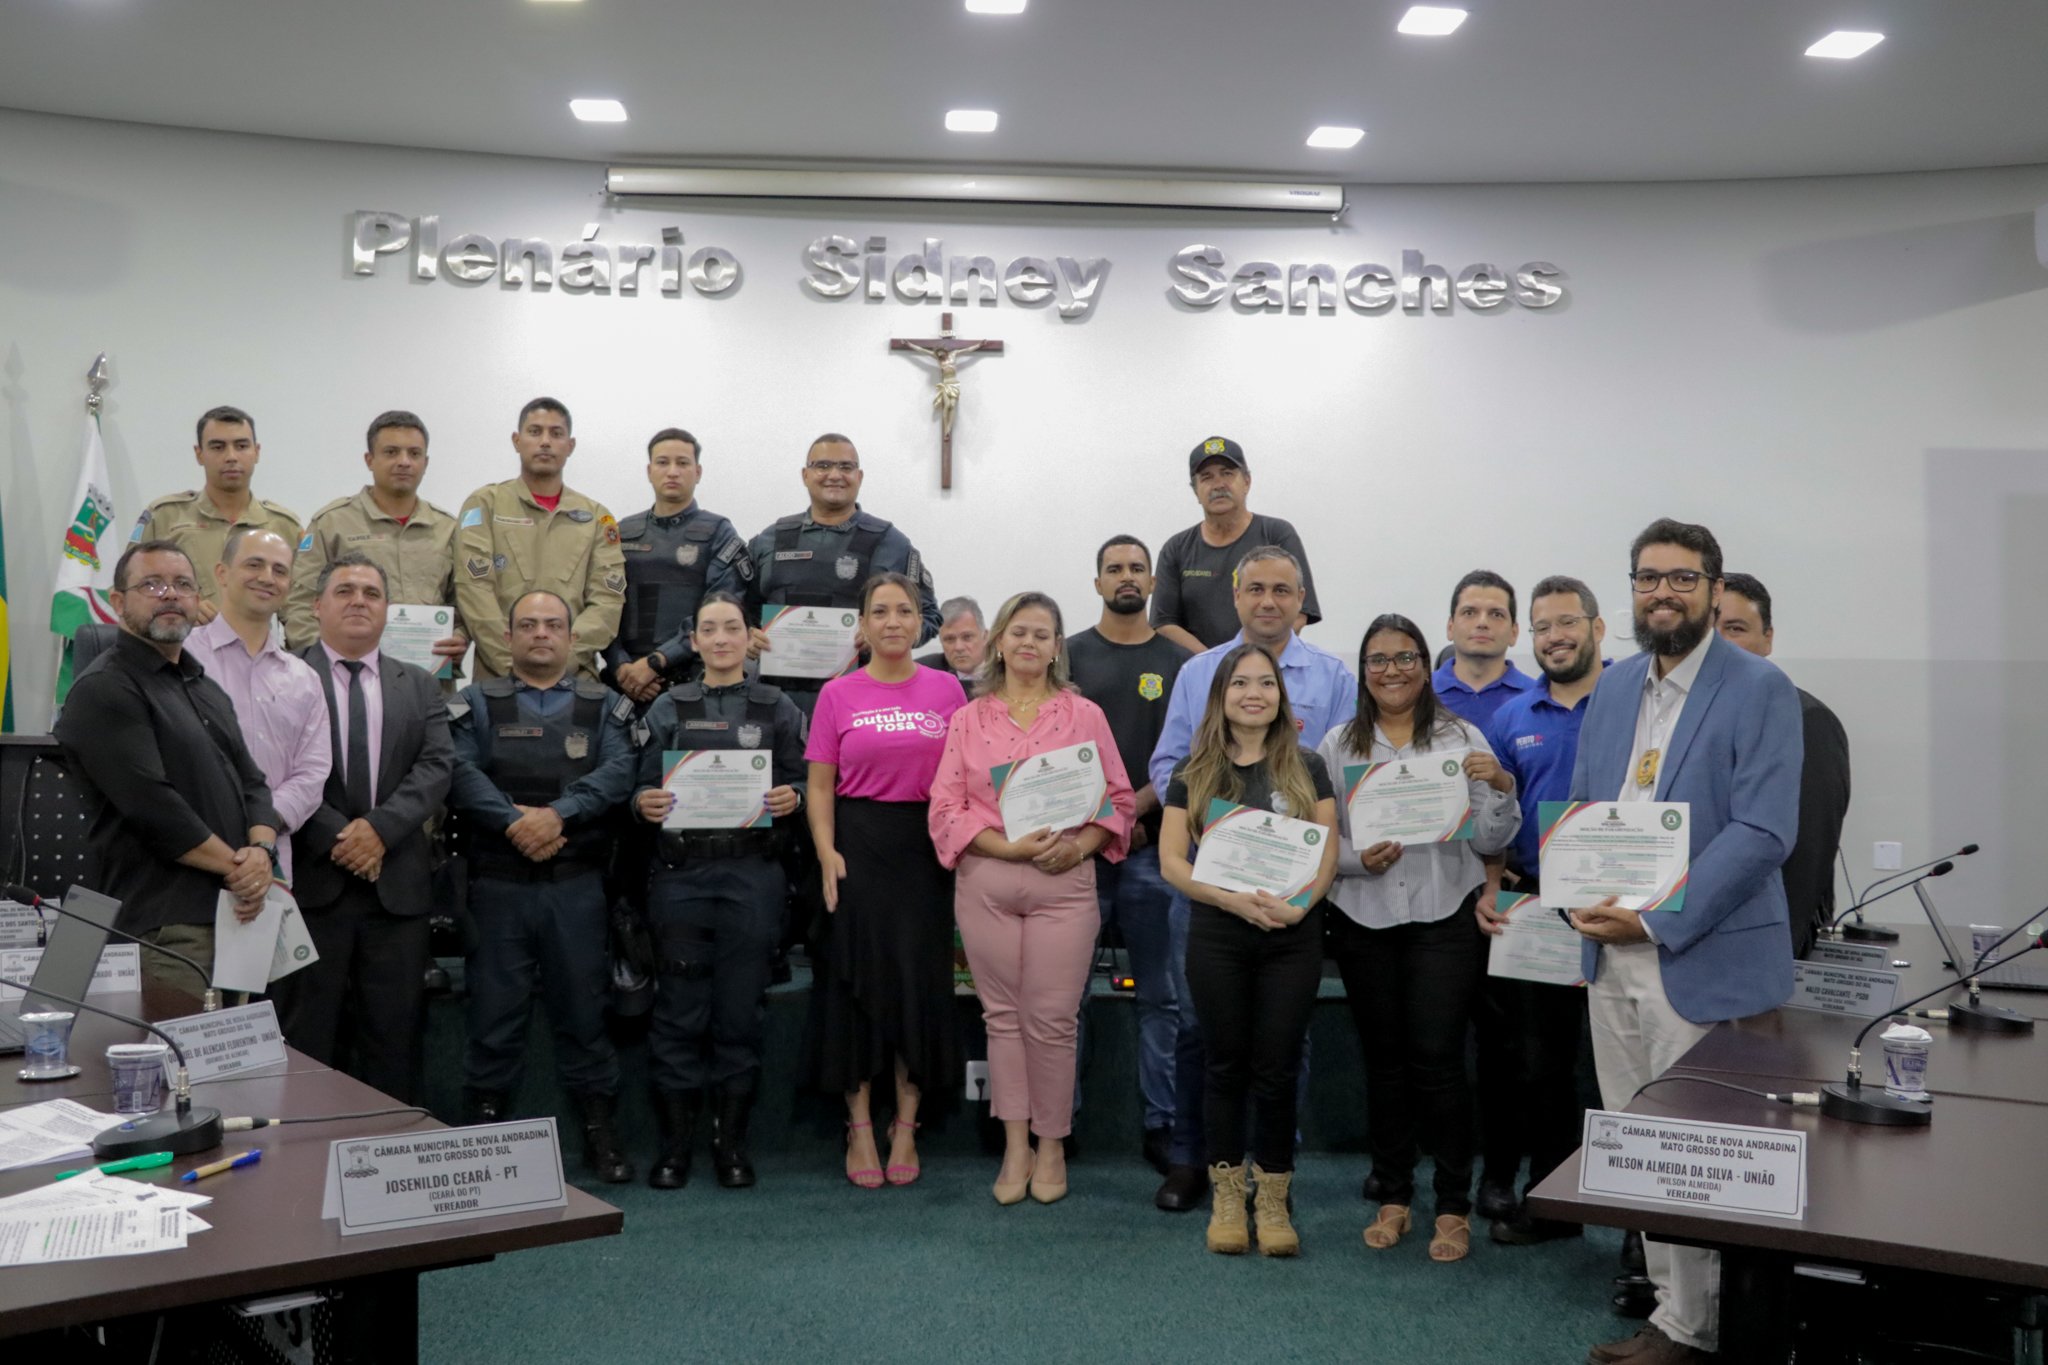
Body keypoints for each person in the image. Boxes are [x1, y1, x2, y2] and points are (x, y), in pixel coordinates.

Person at [1571, 519, 1802, 1365]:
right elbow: (1587, 805)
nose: (1662, 592)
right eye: (1647, 577)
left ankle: (1701, 1333)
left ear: (1712, 587)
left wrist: (1656, 916)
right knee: (1639, 1147)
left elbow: (1764, 831)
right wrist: (1573, 892)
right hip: (1611, 954)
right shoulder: (1615, 682)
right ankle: (1675, 1317)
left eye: (1681, 578)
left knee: (1698, 1152)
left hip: (1698, 953)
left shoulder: (1757, 687)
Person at [1147, 546, 1355, 1213]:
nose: (1269, 600)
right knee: (1199, 1034)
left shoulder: (1333, 676)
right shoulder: (1198, 670)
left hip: (1294, 902)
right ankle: (1193, 1160)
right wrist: (1215, 831)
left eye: (1283, 590)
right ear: (1236, 596)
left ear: (1303, 598)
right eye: (1256, 588)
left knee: (1280, 1044)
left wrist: (1294, 891)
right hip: (1211, 892)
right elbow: (1168, 764)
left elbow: (1340, 780)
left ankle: (1275, 1171)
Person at [1319, 614, 1522, 1264]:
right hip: (1363, 917)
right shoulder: (1335, 746)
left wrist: (1501, 787)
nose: (1392, 669)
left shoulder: (1461, 737)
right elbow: (1324, 843)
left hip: (1443, 916)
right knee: (1384, 1063)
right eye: (1377, 659)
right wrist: (1358, 861)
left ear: (1425, 666)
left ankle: (1454, 1204)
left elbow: (1491, 842)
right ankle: (1395, 1195)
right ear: (1363, 670)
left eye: (1405, 656)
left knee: (1437, 1061)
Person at [929, 592, 1136, 1205]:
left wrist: (1080, 848)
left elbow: (1119, 802)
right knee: (1001, 1017)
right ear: (999, 641)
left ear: (1056, 648)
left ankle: (1051, 1144)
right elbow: (944, 808)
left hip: (1065, 887)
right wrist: (1008, 849)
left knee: (1051, 1020)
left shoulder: (1084, 715)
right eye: (1018, 632)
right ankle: (1014, 1144)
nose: (1028, 643)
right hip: (989, 884)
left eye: (1042, 635)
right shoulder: (968, 718)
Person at [447, 590, 639, 1183]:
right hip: (498, 888)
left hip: (576, 886)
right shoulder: (472, 702)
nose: (540, 634)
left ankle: (600, 1138)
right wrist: (516, 822)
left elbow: (619, 771)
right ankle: (481, 1140)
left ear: (571, 636)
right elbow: (457, 770)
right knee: (493, 1017)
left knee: (585, 1015)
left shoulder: (606, 705)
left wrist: (559, 815)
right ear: (506, 638)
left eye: (552, 624)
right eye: (527, 625)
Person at [631, 591, 808, 1190]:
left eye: (733, 627)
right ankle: (676, 1147)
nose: (723, 638)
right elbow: (634, 786)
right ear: (697, 641)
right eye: (710, 629)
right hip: (681, 879)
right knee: (678, 1014)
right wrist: (643, 802)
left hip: (753, 876)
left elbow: (808, 777)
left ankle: (731, 1145)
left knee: (739, 1014)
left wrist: (796, 798)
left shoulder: (776, 705)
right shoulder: (667, 709)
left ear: (748, 636)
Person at [53, 541, 278, 994]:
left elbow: (254, 783)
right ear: (118, 603)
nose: (170, 595)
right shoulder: (104, 689)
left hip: (235, 917)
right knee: (170, 1062)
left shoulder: (204, 687)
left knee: (235, 1062)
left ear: (199, 602)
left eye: (182, 585)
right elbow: (154, 808)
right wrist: (242, 867)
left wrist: (263, 853)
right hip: (165, 928)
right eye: (152, 585)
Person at [804, 573, 967, 1189]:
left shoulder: (949, 689)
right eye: (880, 611)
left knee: (917, 986)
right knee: (857, 984)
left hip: (927, 854)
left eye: (904, 611)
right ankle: (860, 1128)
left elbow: (966, 777)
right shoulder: (837, 694)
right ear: (863, 625)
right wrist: (825, 853)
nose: (893, 621)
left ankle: (905, 1124)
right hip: (857, 848)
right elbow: (820, 784)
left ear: (919, 623)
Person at [277, 553, 453, 1104]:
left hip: (395, 889)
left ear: (387, 611)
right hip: (311, 885)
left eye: (372, 593)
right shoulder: (283, 677)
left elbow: (436, 767)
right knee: (306, 1038)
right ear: (317, 605)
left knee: (394, 1039)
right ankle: (298, 1170)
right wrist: (342, 838)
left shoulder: (420, 685)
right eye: (346, 590)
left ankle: (394, 1155)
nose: (359, 601)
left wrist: (377, 831)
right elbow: (272, 771)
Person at [1479, 575, 1606, 1246]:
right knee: (1541, 1065)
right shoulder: (1512, 717)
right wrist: (1491, 886)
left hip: (1625, 909)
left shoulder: (1632, 698)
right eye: (1543, 626)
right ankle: (1557, 1206)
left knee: (1625, 1064)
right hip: (1535, 903)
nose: (1555, 636)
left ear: (1597, 627)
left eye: (1567, 622)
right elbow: (1498, 819)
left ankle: (1646, 1223)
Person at [1066, 535, 1191, 1172]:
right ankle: (1061, 1122)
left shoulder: (1178, 661)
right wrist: (1105, 820)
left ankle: (1163, 1124)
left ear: (1150, 581)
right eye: (1113, 568)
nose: (1126, 577)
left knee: (1161, 996)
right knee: (1067, 996)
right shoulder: (1066, 656)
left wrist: (1134, 812)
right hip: (1078, 851)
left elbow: (1191, 755)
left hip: (1151, 846)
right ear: (1096, 583)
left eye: (1136, 568)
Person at [746, 433, 942, 717]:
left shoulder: (891, 543)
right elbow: (738, 609)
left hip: (864, 702)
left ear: (859, 476)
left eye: (846, 467)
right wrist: (747, 637)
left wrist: (887, 638)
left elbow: (930, 615)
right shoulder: (770, 540)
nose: (834, 475)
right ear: (805, 474)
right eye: (822, 466)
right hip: (778, 704)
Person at [1716, 572, 1851, 961]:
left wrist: (1771, 964)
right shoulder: (1691, 722)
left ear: (1768, 639)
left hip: (1762, 951)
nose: (1720, 643)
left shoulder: (1807, 720)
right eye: (1710, 630)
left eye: (1736, 628)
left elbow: (1805, 864)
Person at [189, 527, 332, 885]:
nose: (267, 578)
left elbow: (312, 774)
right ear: (222, 574)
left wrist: (262, 830)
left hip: (269, 869)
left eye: (280, 570)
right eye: (254, 564)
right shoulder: (181, 658)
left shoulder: (304, 679)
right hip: (188, 859)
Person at [454, 397, 626, 683]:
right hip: (499, 678)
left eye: (556, 434)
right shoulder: (485, 504)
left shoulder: (597, 517)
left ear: (570, 446)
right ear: (517, 440)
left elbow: (607, 603)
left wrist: (559, 662)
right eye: (535, 432)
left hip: (575, 681)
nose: (545, 442)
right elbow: (474, 592)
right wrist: (514, 664)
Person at [285, 411, 466, 680]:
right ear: (370, 460)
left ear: (425, 462)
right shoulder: (332, 524)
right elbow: (300, 604)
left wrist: (461, 636)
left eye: (414, 454)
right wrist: (326, 663)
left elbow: (464, 602)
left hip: (426, 682)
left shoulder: (448, 529)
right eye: (391, 452)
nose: (404, 462)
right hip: (346, 680)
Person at [604, 428, 750, 706]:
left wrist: (656, 662)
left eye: (682, 463)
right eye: (663, 462)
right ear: (649, 470)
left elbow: (721, 612)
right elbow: (602, 606)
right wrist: (621, 667)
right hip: (623, 686)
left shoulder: (718, 532)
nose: (672, 471)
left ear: (698, 472)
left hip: (690, 684)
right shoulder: (621, 531)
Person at [1149, 437, 1322, 653]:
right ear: (1196, 490)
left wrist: (1250, 664)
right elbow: (1164, 623)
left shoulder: (1276, 535)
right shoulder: (1176, 548)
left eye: (1227, 473)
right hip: (1201, 676)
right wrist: (1215, 664)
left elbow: (1299, 613)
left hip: (1270, 671)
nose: (1218, 484)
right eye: (1207, 477)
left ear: (1247, 482)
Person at [131, 406, 302, 624]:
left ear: (256, 452)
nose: (231, 457)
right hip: (179, 650)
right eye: (218, 447)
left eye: (241, 446)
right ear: (199, 454)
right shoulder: (165, 517)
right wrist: (181, 605)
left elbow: (298, 606)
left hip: (255, 651)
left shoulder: (284, 526)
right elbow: (133, 591)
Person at [1433, 569, 1538, 732]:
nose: (1482, 623)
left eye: (1496, 614)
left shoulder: (1537, 698)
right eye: (1469, 612)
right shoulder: (1418, 694)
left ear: (1514, 633)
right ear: (1450, 627)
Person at [914, 597, 988, 679]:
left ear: (985, 637)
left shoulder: (1003, 668)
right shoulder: (922, 673)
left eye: (967, 637)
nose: (959, 647)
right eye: (950, 639)